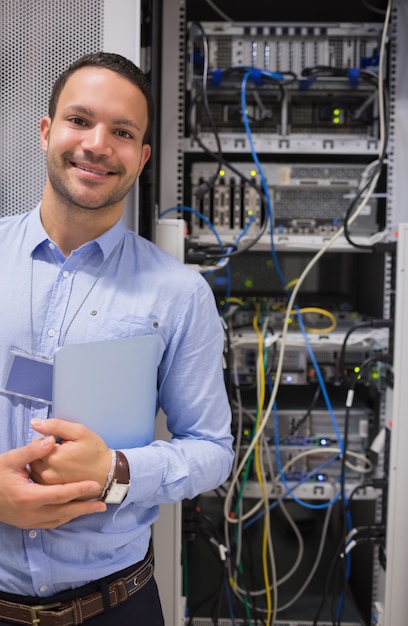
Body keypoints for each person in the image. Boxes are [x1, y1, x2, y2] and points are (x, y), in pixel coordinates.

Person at [0, 51, 234, 625]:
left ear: (142, 156)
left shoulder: (179, 294)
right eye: (80, 120)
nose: (98, 144)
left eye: (122, 132)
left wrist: (115, 472)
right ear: (46, 131)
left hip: (113, 606)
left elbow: (212, 449)